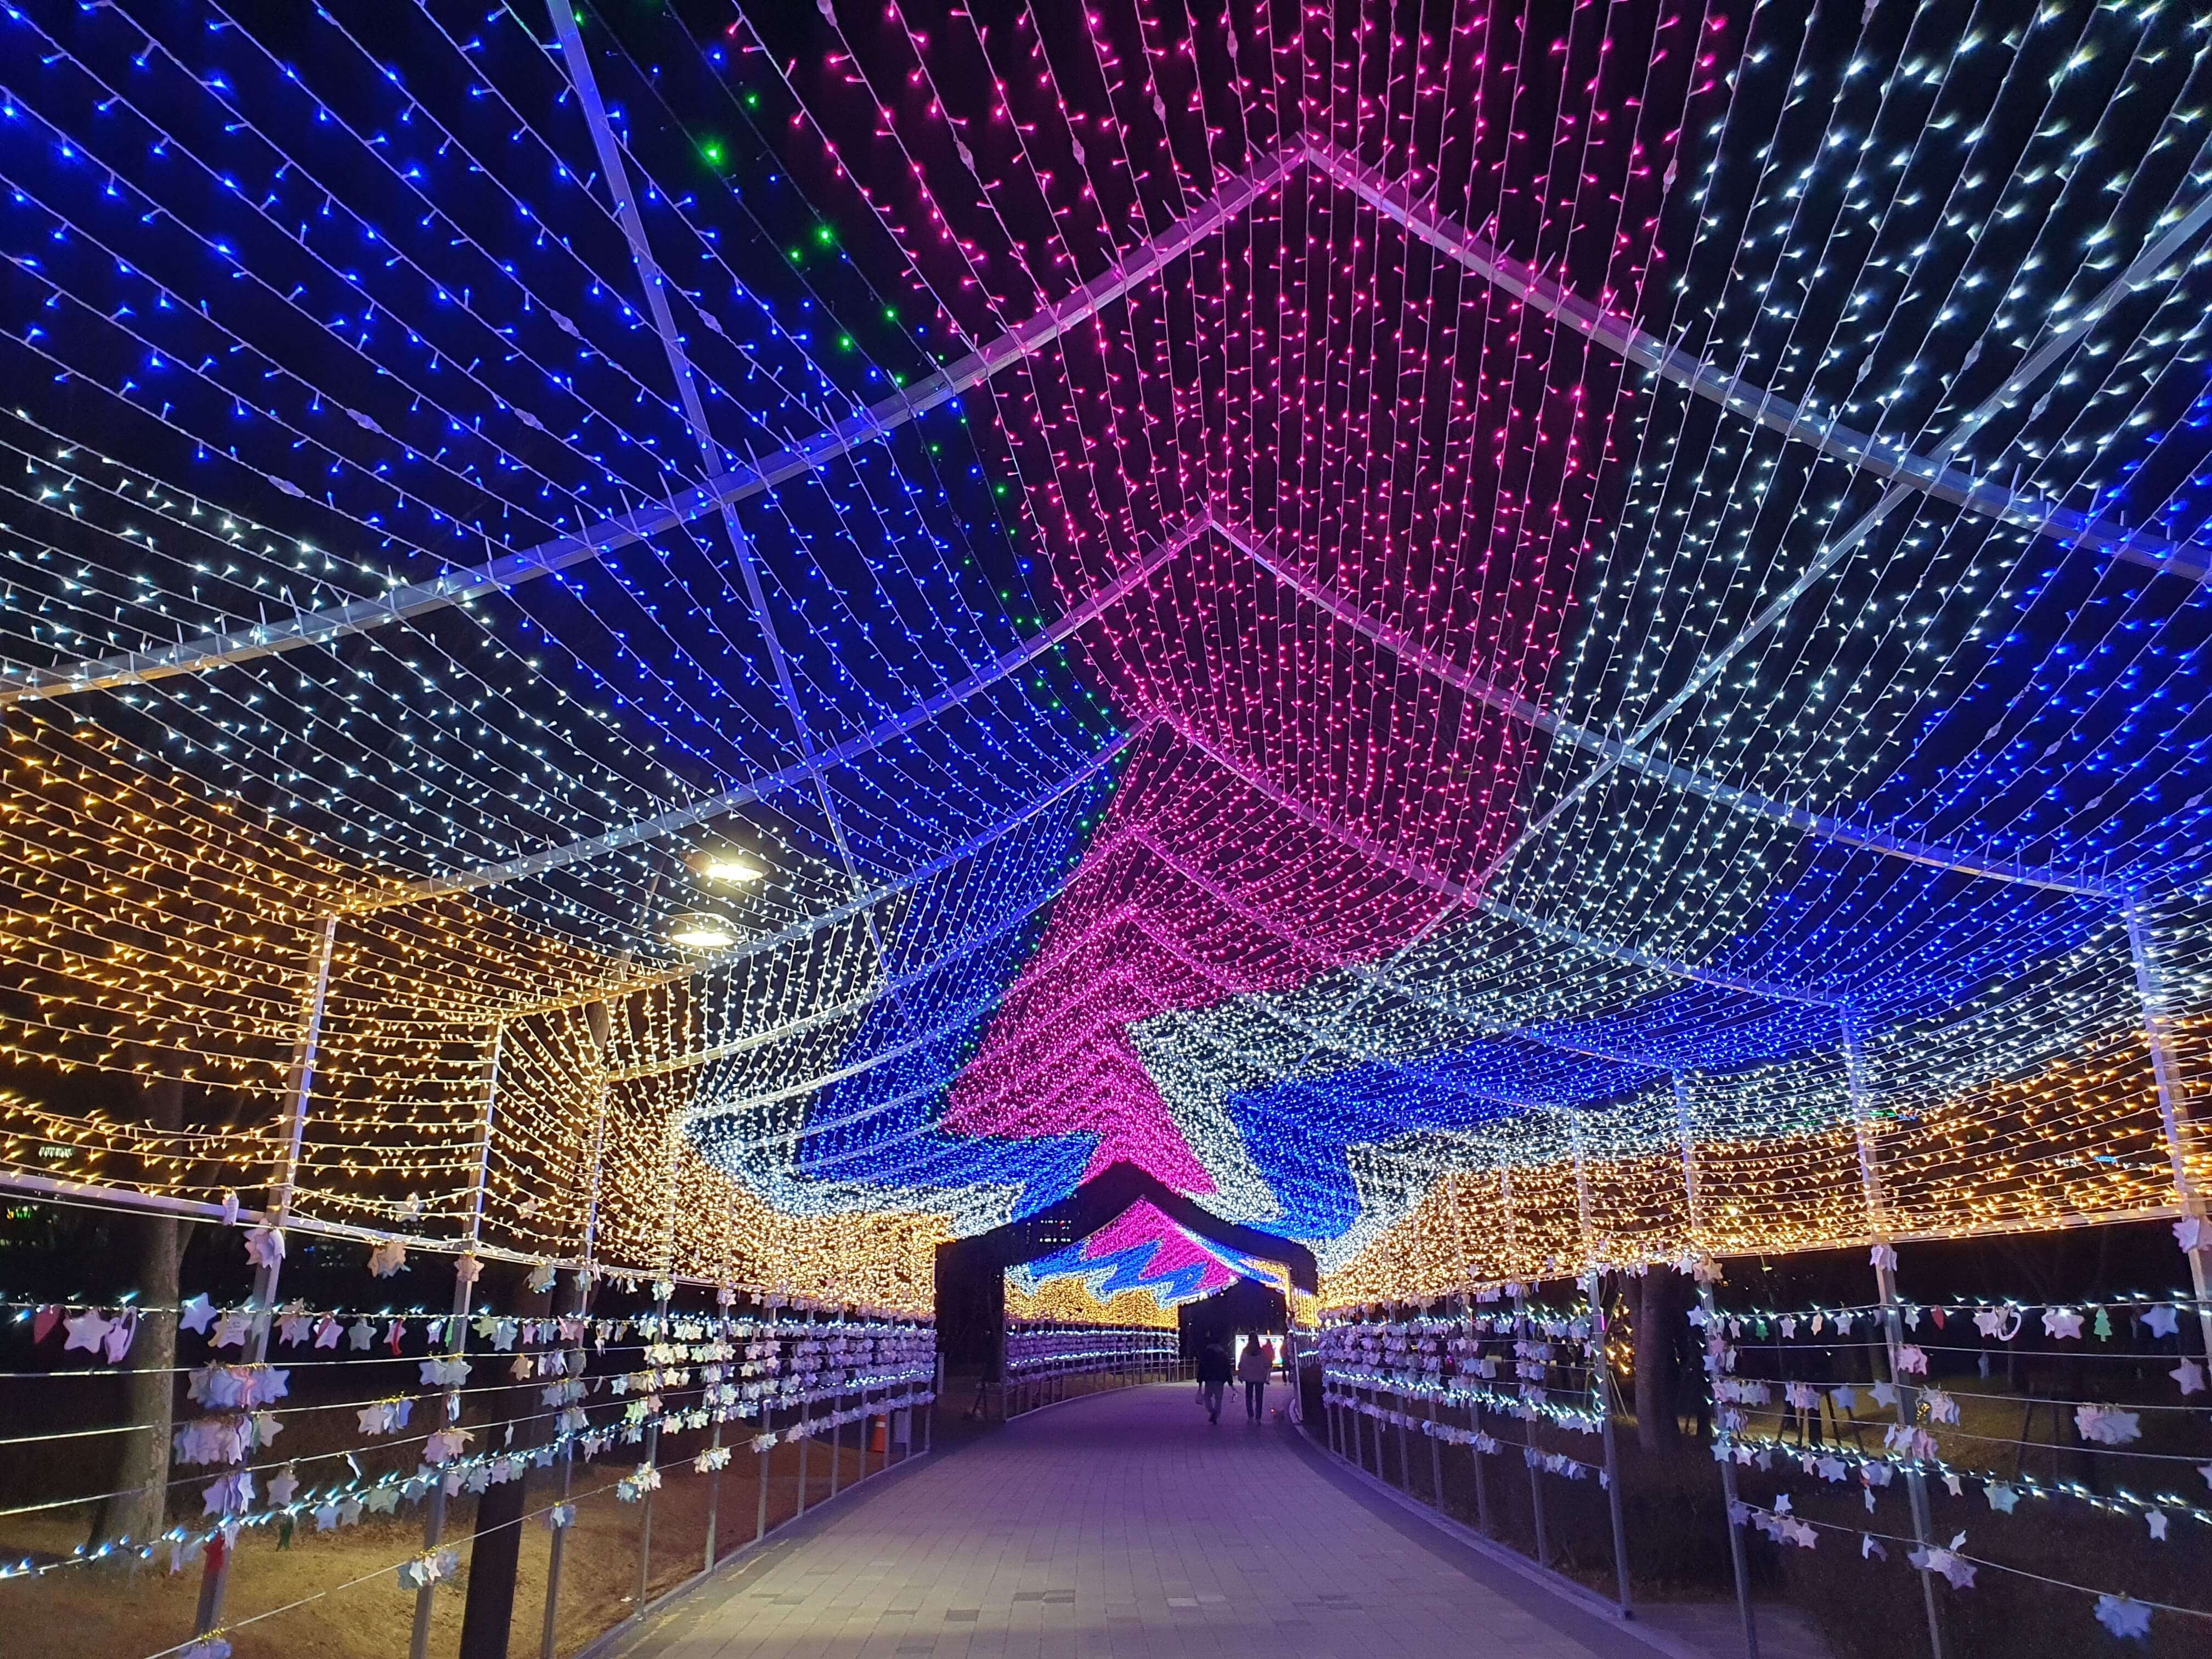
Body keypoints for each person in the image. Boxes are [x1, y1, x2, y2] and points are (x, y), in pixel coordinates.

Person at [1237, 1333, 1274, 1422]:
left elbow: (1242, 1364)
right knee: (1259, 1398)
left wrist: (1241, 1375)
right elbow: (1266, 1363)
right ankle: (1258, 1418)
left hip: (1248, 1378)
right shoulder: (1261, 1352)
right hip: (1260, 1377)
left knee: (1249, 1397)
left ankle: (1250, 1416)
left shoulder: (1245, 1351)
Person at [1195, 1336, 1233, 1424]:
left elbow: (1202, 1368)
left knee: (1207, 1398)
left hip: (1209, 1380)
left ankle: (1212, 1411)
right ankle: (1216, 1414)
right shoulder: (1223, 1354)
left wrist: (1200, 1381)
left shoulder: (1206, 1354)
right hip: (1220, 1380)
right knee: (1219, 1399)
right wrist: (1230, 1382)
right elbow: (1227, 1368)